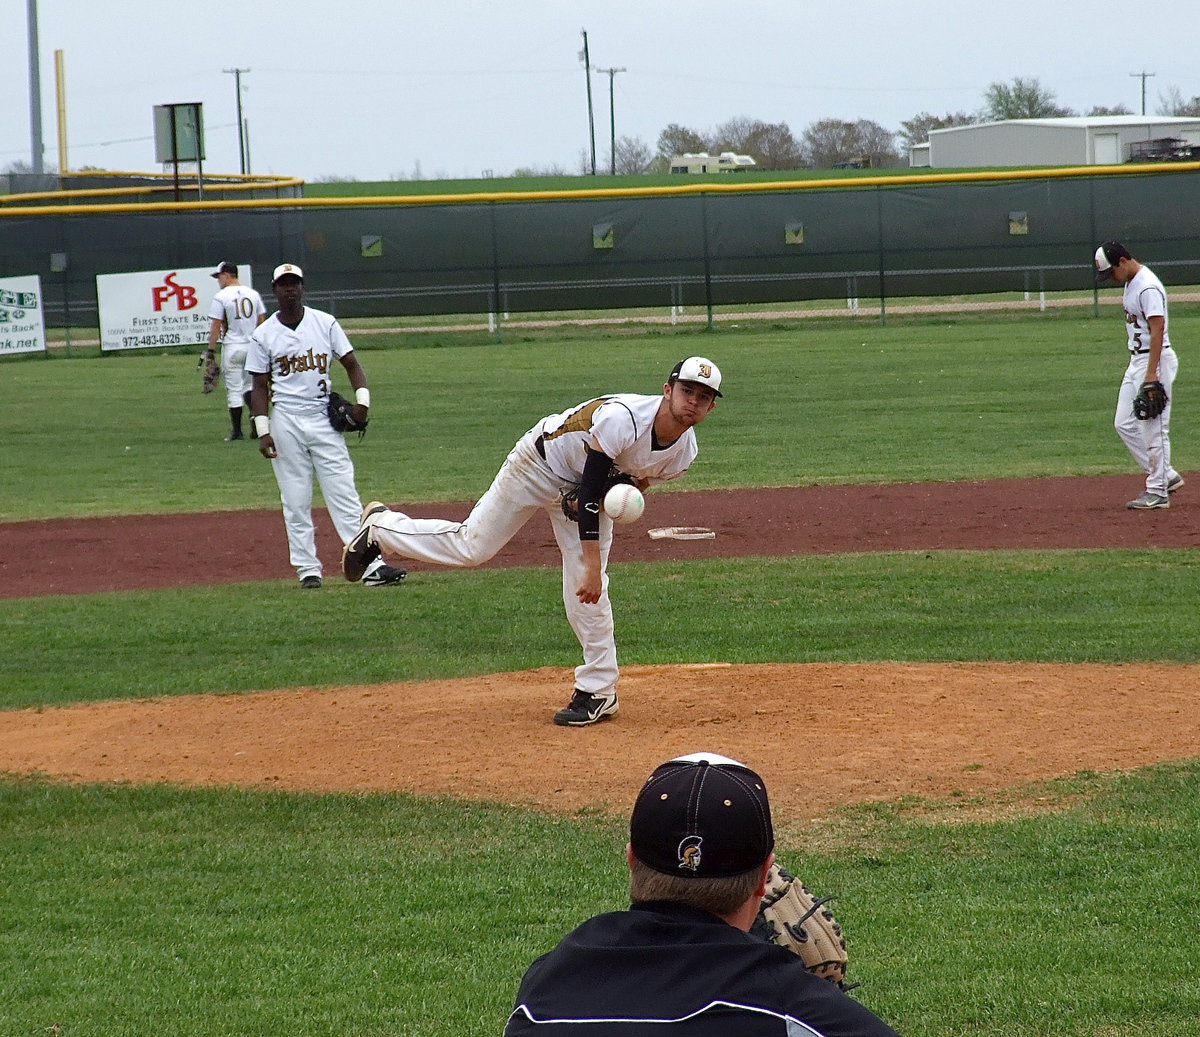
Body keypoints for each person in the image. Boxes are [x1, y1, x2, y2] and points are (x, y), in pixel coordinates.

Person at [342, 357, 723, 724]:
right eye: (687, 390)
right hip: (538, 465)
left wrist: (612, 496)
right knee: (474, 547)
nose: (693, 401)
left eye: (703, 396)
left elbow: (633, 482)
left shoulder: (684, 454)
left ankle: (599, 691)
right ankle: (383, 529)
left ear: (710, 408)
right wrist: (591, 553)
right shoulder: (623, 419)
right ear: (667, 389)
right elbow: (590, 486)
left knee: (589, 589)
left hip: (584, 488)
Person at [504, 752, 904, 1036]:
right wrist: (818, 1003)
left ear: (630, 861)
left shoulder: (545, 984)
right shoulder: (785, 999)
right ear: (765, 877)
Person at [246, 263, 407, 589]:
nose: (289, 289)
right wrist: (263, 431)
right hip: (286, 421)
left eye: (295, 283)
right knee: (295, 499)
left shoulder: (324, 323)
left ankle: (370, 567)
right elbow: (259, 386)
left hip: (323, 419)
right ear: (274, 290)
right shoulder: (263, 335)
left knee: (345, 494)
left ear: (302, 287)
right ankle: (307, 570)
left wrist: (363, 403)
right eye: (283, 284)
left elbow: (351, 364)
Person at [1094, 240, 1183, 509]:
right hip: (1137, 361)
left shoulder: (1147, 286)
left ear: (1122, 261)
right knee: (1124, 423)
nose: (1110, 278)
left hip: (1153, 361)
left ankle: (1158, 491)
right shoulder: (1130, 283)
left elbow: (1158, 330)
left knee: (1153, 427)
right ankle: (1165, 475)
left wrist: (1151, 374)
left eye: (1111, 272)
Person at [206, 261, 267, 441]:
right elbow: (262, 320)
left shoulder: (221, 296)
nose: (218, 281)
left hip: (233, 346)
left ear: (227, 275)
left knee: (234, 390)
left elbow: (216, 325)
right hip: (253, 346)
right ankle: (256, 422)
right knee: (250, 387)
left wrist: (210, 350)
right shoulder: (253, 294)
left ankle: (237, 432)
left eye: (219, 277)